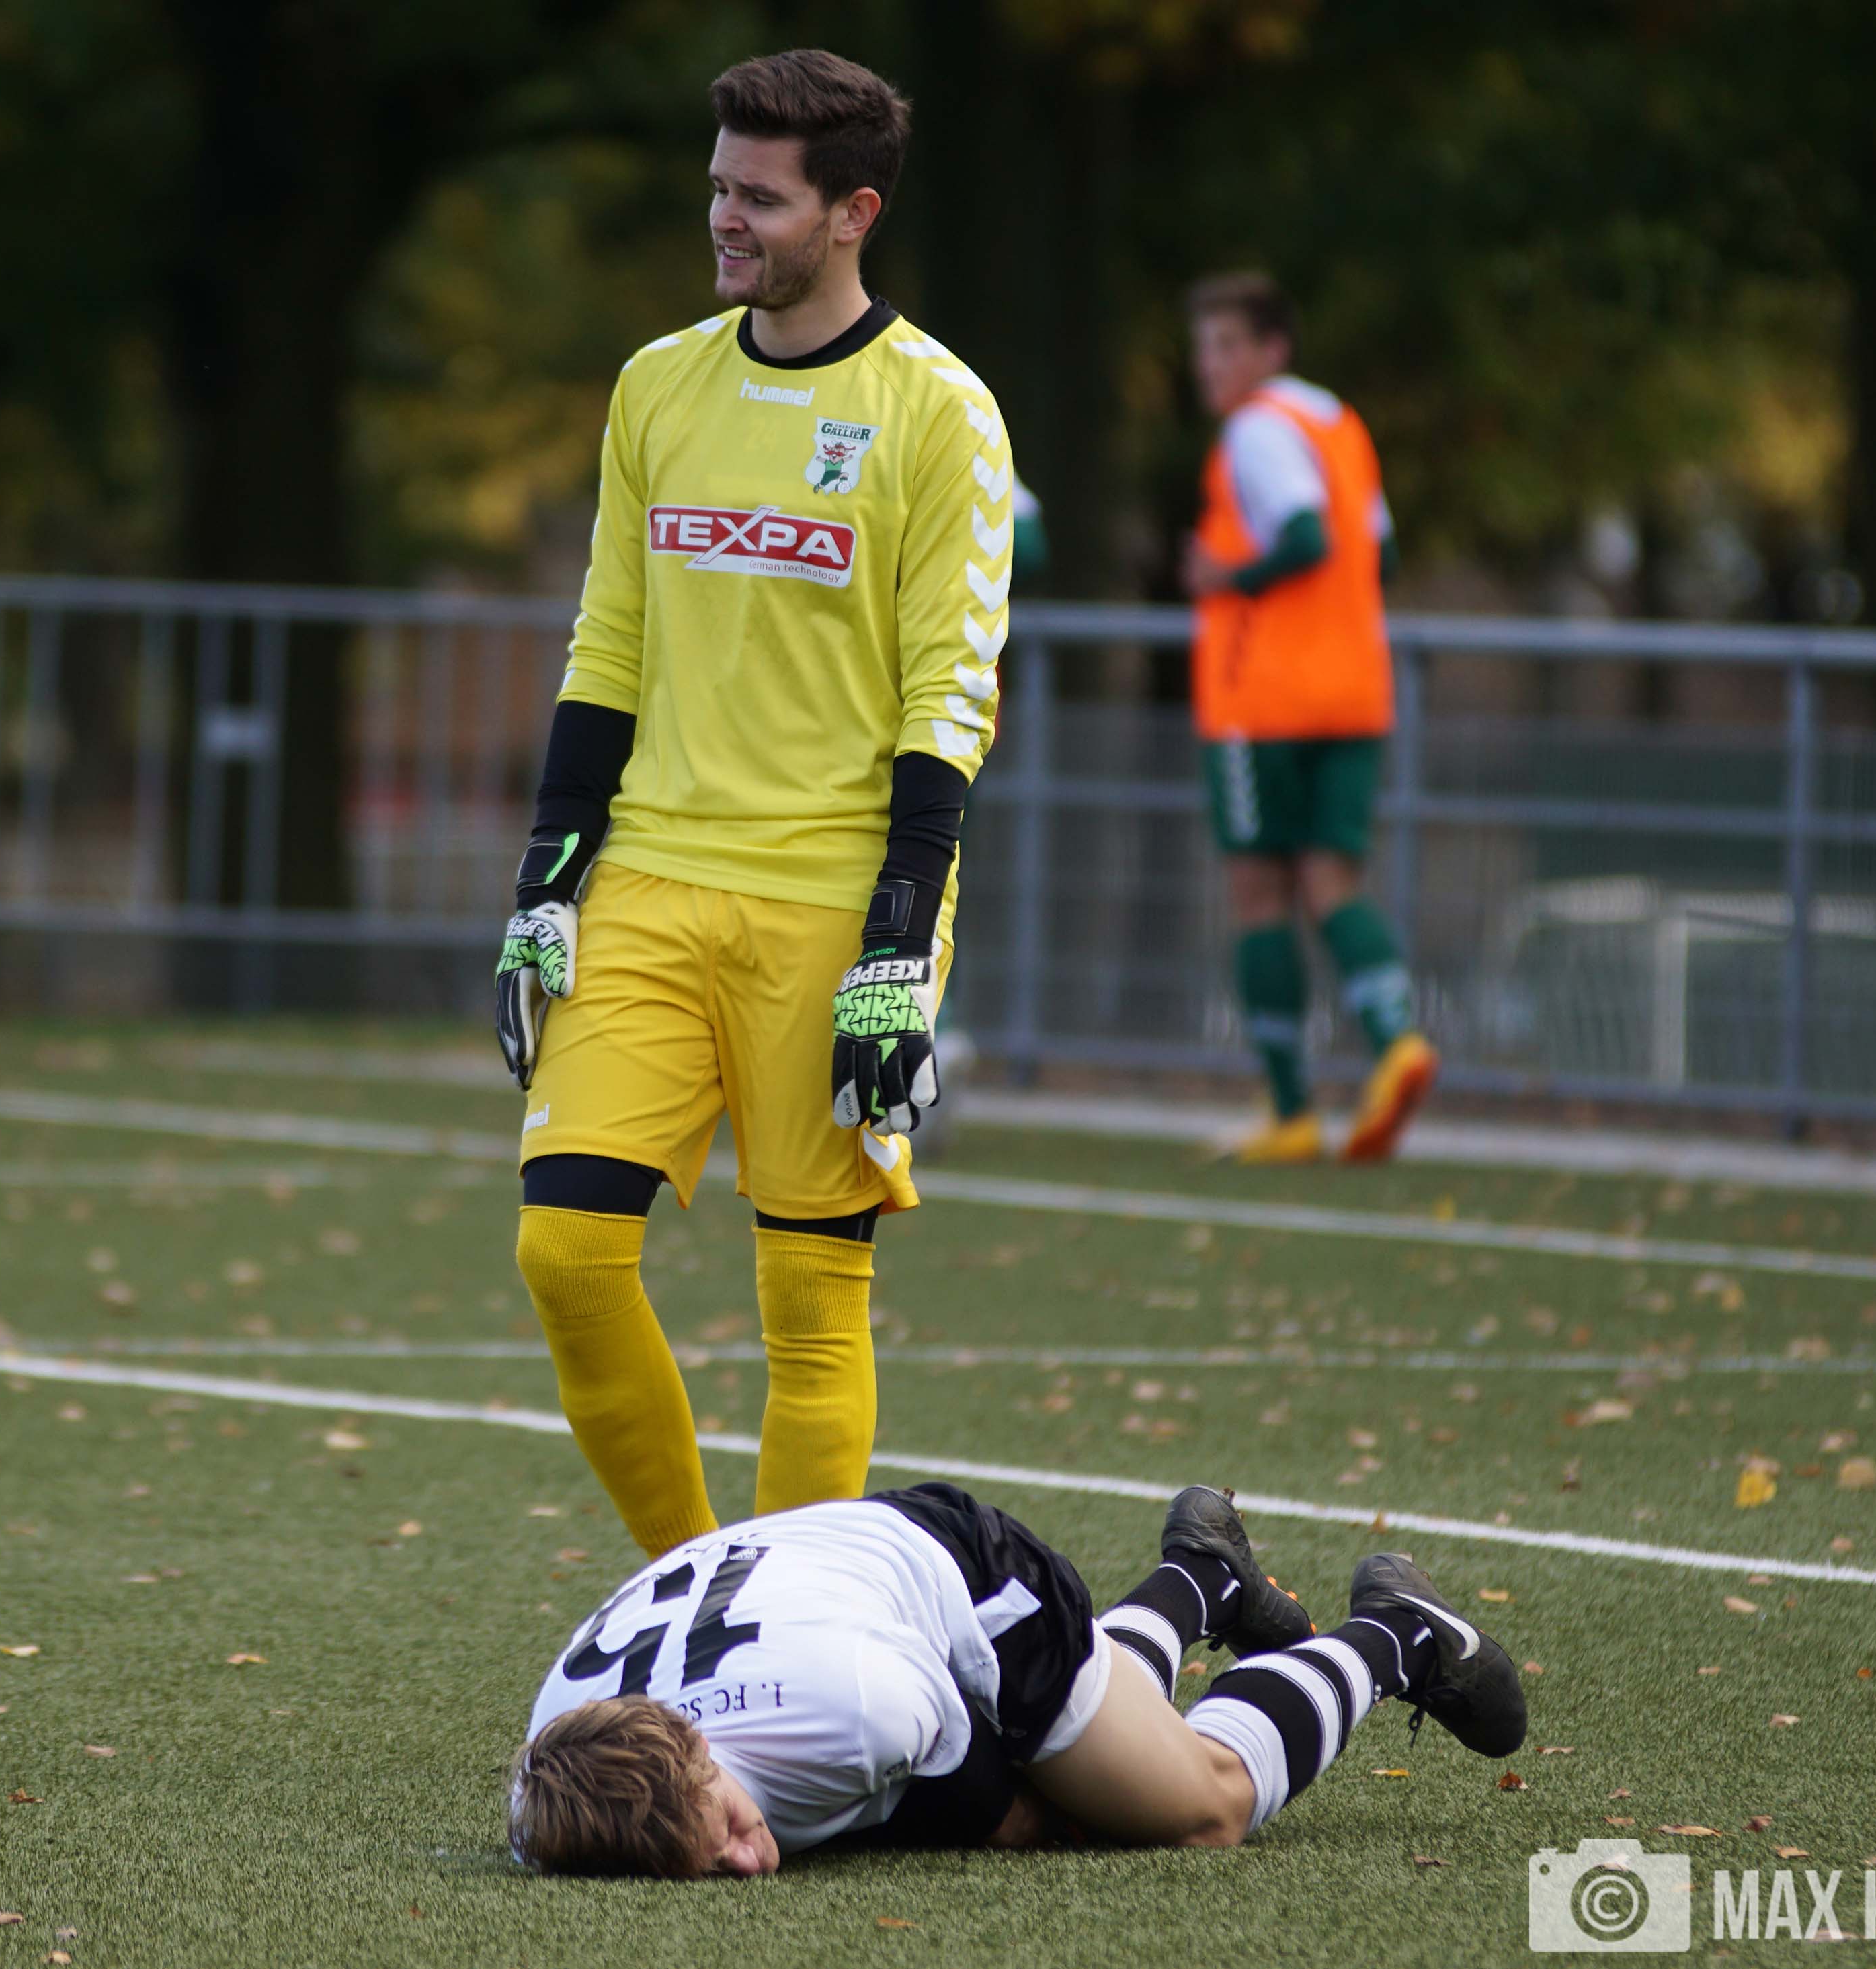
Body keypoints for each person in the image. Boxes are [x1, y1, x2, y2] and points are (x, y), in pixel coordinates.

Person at [491, 50, 1012, 1556]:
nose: (724, 216)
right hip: (649, 876)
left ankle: (788, 1639)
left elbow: (949, 693)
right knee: (565, 1252)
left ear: (852, 214)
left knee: (810, 1296)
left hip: (837, 896)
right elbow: (607, 644)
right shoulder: (658, 382)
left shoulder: (941, 412)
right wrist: (546, 879)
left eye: (761, 198)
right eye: (718, 185)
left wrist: (898, 943)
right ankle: (689, 1596)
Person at [509, 1483, 1525, 1874]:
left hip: (966, 1580)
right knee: (1108, 1752)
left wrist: (1046, 1813)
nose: (747, 1859)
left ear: (696, 1744)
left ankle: (1400, 1631)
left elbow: (983, 1787)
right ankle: (1204, 1572)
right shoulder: (555, 1789)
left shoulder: (849, 1714)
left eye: (729, 1823)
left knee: (1188, 1805)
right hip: (820, 1570)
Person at [1176, 274, 1432, 1163]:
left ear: (1272, 350)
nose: (1209, 365)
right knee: (1332, 884)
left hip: (1264, 700)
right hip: (1356, 690)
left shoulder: (1256, 430)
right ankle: (1398, 1041)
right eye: (1203, 347)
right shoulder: (1339, 424)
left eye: (1227, 345)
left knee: (1258, 896)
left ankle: (1291, 1110)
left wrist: (1225, 577)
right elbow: (1379, 553)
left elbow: (1305, 536)